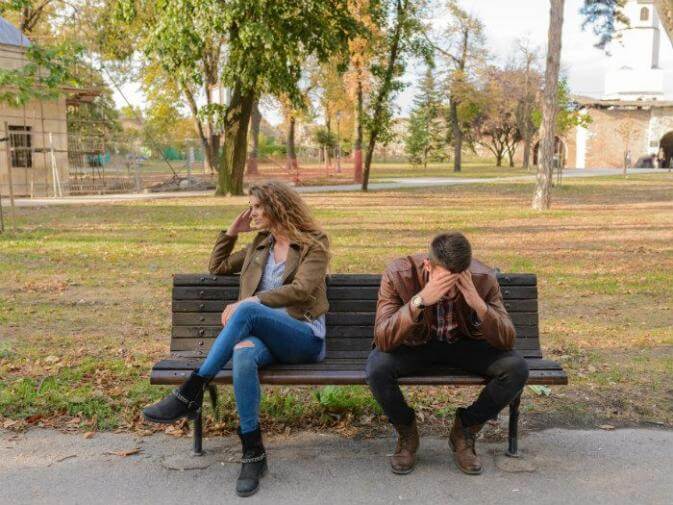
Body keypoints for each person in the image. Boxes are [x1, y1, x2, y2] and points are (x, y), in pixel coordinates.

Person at [142, 181, 330, 497]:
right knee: (243, 354)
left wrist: (251, 302)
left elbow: (302, 290)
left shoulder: (314, 242)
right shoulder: (259, 246)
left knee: (247, 311)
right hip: (263, 338)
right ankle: (253, 453)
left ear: (276, 206)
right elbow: (216, 267)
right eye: (251, 207)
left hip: (304, 336)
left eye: (257, 206)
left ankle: (191, 391)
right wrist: (231, 231)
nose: (251, 212)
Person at [365, 232, 528, 475]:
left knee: (516, 369)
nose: (450, 291)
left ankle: (465, 429)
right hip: (416, 346)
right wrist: (418, 302)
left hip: (464, 345)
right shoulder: (399, 274)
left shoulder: (482, 278)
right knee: (377, 368)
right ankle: (407, 432)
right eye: (444, 282)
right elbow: (383, 339)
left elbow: (507, 340)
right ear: (428, 265)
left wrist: (477, 303)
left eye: (457, 282)